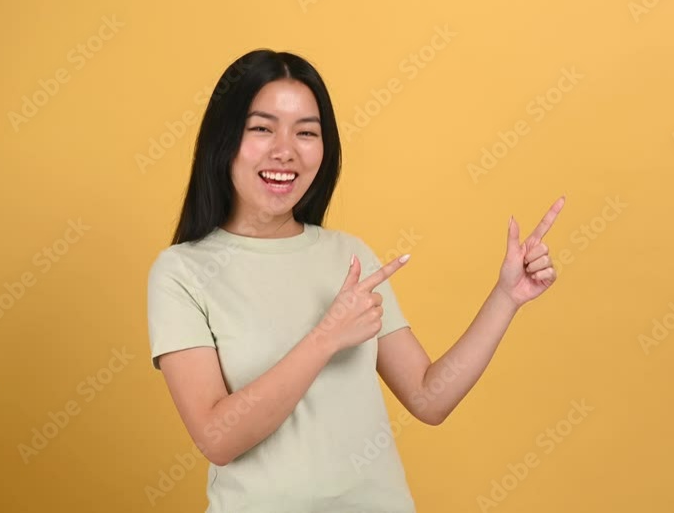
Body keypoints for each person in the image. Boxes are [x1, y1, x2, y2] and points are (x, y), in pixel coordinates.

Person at [146, 48, 565, 512]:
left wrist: (506, 297)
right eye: (262, 128)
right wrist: (327, 336)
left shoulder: (349, 255)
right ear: (223, 139)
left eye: (307, 132)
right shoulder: (182, 272)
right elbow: (217, 439)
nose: (285, 150)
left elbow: (429, 398)